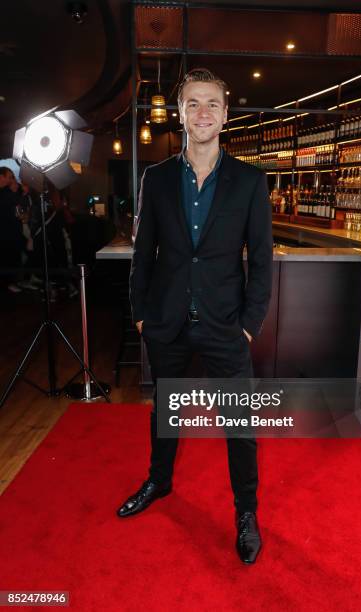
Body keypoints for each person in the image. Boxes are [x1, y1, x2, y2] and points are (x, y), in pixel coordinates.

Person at [118, 69, 272, 564]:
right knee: (165, 414)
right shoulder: (157, 178)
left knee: (239, 424)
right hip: (167, 323)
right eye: (193, 104)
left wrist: (249, 322)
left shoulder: (250, 181)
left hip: (226, 324)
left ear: (226, 115)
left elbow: (262, 259)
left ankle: (245, 512)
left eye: (212, 103)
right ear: (180, 114)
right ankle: (159, 482)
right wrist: (141, 313)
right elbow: (144, 255)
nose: (203, 112)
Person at [0, 167, 26, 293]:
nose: (11, 180)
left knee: (13, 254)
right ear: (1, 177)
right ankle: (9, 282)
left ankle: (12, 281)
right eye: (9, 177)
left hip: (11, 230)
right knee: (8, 256)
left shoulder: (6, 191)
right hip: (5, 232)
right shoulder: (5, 192)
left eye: (12, 177)